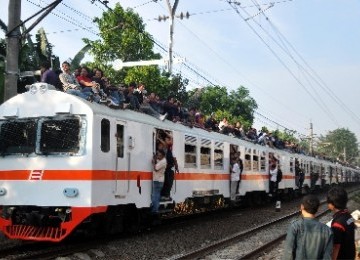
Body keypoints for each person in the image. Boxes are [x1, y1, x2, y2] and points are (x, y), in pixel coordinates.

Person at [283, 195, 333, 260]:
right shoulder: (328, 230)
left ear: (302, 207)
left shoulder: (295, 226)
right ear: (317, 209)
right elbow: (327, 257)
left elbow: (288, 254)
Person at [327, 186, 355, 260]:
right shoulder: (349, 216)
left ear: (332, 205)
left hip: (342, 256)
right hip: (350, 253)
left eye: (328, 202)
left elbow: (336, 246)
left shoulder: (337, 223)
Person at [159, 134, 179, 200]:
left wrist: (176, 167)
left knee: (168, 183)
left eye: (167, 140)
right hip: (165, 168)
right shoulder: (164, 148)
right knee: (166, 182)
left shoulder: (170, 149)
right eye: (166, 140)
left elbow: (174, 159)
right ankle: (164, 195)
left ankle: (166, 195)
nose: (167, 141)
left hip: (169, 168)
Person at [151, 149, 167, 214]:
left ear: (162, 155)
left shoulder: (163, 161)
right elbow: (157, 162)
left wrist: (154, 162)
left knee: (155, 195)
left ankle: (155, 210)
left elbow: (156, 168)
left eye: (158, 154)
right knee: (156, 195)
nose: (157, 155)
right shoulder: (162, 160)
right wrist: (155, 160)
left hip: (158, 181)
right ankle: (155, 208)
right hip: (159, 180)